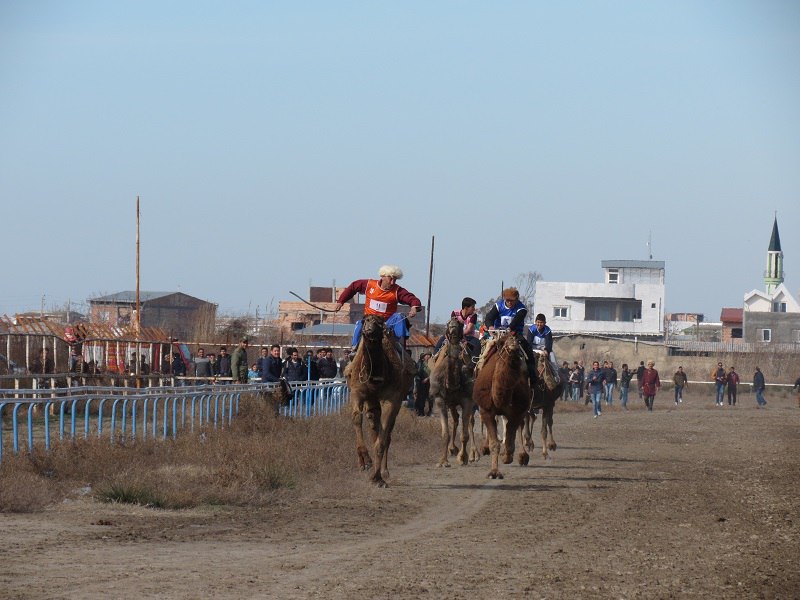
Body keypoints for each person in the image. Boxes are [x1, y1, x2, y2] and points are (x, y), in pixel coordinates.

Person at [335, 265, 422, 353]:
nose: (392, 282)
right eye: (391, 279)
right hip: (370, 320)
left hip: (388, 322)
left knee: (399, 317)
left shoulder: (397, 291)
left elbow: (411, 298)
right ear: (383, 276)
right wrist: (340, 301)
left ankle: (400, 348)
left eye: (395, 280)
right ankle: (354, 349)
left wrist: (414, 307)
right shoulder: (369, 285)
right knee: (359, 324)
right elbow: (353, 287)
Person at [482, 287, 537, 385]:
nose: (509, 303)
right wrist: (490, 326)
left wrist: (510, 329)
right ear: (504, 299)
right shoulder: (498, 306)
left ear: (516, 299)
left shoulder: (521, 309)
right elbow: (489, 317)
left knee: (528, 350)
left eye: (512, 300)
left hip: (514, 335)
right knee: (484, 348)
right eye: (507, 300)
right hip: (498, 335)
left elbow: (517, 320)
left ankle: (533, 379)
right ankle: (479, 370)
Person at [526, 313, 560, 382]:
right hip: (533, 348)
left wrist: (547, 350)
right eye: (538, 322)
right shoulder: (531, 329)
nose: (539, 324)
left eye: (541, 322)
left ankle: (556, 376)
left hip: (544, 349)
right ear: (535, 322)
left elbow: (549, 342)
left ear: (545, 323)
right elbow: (529, 342)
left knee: (553, 359)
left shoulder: (547, 330)